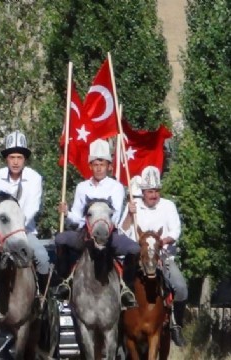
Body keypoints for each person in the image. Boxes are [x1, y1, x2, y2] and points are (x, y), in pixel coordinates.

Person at [54, 138, 140, 309]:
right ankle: (64, 282)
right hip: (85, 234)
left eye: (103, 164)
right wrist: (67, 213)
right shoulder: (81, 187)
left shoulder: (116, 187)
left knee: (134, 249)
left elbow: (114, 218)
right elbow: (78, 217)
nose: (99, 168)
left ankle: (127, 289)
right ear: (90, 166)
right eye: (95, 164)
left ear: (109, 166)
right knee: (60, 239)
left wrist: (102, 228)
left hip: (109, 235)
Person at [119, 166, 188, 346]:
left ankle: (176, 325)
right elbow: (121, 233)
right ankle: (117, 324)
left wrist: (161, 242)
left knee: (180, 287)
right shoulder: (134, 207)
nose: (154, 195)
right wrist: (129, 215)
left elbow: (176, 230)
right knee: (118, 286)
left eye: (156, 191)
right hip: (137, 257)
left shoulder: (168, 205)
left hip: (162, 255)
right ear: (143, 192)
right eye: (150, 191)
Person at [0, 131, 50, 307]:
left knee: (42, 257)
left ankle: (42, 297)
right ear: (6, 159)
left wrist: (16, 227)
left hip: (25, 231)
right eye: (12, 157)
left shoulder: (35, 178)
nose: (15, 161)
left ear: (25, 159)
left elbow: (32, 208)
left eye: (20, 157)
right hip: (0, 234)